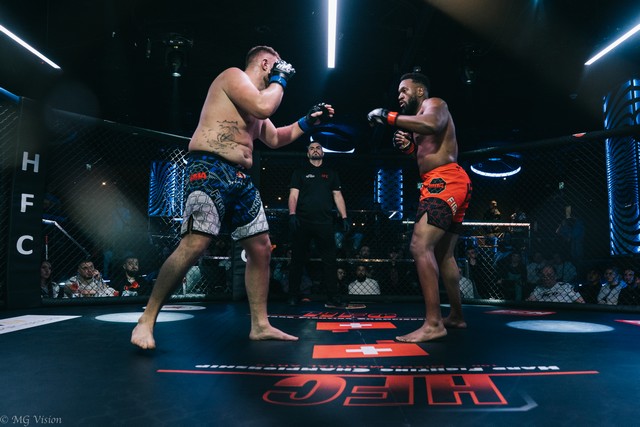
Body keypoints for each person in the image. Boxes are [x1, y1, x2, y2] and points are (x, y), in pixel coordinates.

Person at [132, 45, 333, 349]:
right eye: (277, 65)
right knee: (195, 244)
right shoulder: (233, 77)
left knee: (261, 248)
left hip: (240, 177)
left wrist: (308, 122)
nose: (281, 70)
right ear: (265, 63)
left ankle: (260, 325)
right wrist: (281, 79)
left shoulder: (254, 103)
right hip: (209, 168)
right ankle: (147, 319)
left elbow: (275, 138)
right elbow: (265, 107)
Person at [368, 72, 472, 342]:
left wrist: (388, 116)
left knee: (419, 245)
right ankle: (456, 316)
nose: (400, 96)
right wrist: (408, 148)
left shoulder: (434, 104)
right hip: (445, 180)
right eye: (398, 93)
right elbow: (427, 152)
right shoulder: (417, 122)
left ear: (420, 91)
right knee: (444, 254)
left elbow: (433, 124)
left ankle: (433, 323)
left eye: (404, 90)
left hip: (444, 180)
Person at [287, 141, 350, 308]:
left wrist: (344, 217)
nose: (315, 150)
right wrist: (292, 214)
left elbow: (337, 195)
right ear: (308, 153)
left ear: (323, 152)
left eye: (318, 148)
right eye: (312, 148)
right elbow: (293, 195)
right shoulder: (300, 172)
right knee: (297, 260)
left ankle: (332, 297)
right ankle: (293, 295)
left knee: (330, 261)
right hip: (303, 221)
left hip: (325, 223)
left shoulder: (331, 173)